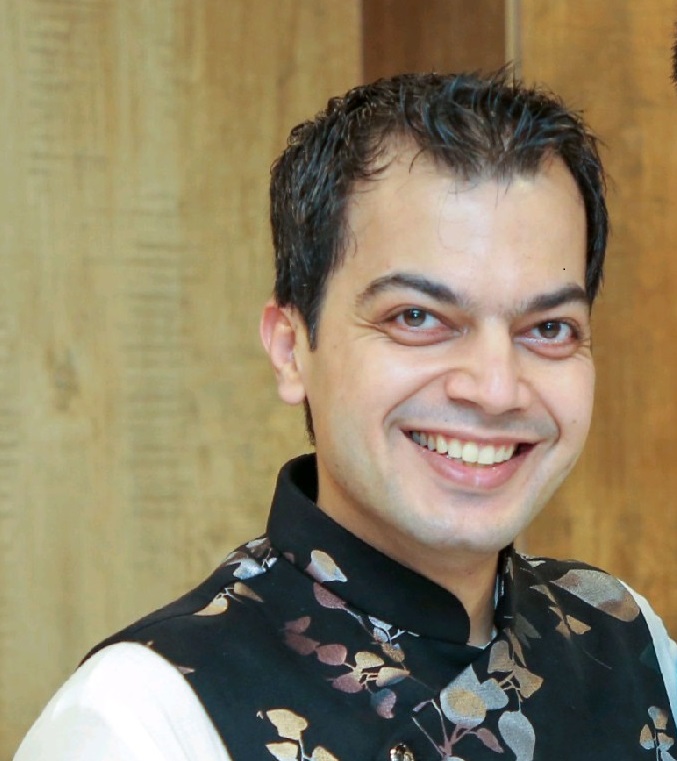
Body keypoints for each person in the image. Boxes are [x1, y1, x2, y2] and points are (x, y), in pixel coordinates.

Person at [15, 70, 677, 761]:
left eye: (548, 328)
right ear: (290, 348)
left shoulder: (624, 639)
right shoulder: (143, 717)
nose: (495, 388)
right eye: (416, 317)